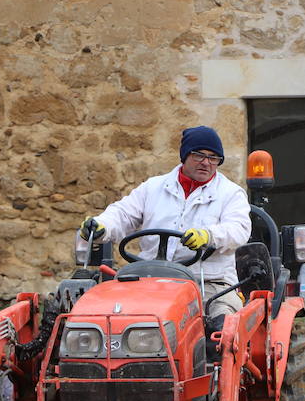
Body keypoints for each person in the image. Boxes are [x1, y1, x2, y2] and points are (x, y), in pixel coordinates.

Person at [80, 126, 252, 318]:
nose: (206, 163)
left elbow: (239, 229)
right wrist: (102, 226)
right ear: (184, 155)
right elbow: (123, 214)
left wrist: (209, 236)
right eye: (199, 155)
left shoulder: (231, 193)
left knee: (223, 326)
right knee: (112, 317)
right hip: (149, 280)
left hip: (209, 284)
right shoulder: (153, 188)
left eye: (213, 158)